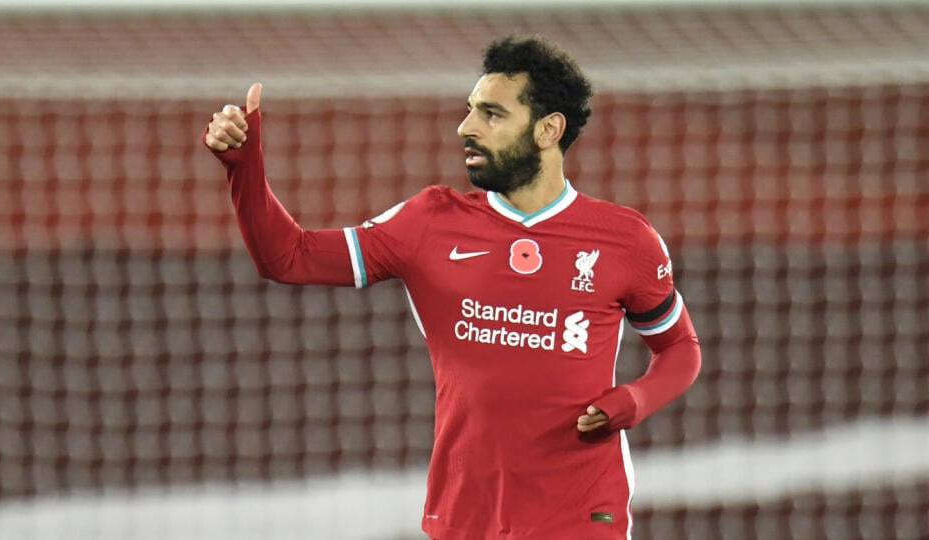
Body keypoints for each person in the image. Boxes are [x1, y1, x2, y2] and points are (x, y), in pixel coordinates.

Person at [203, 34, 701, 540]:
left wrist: (634, 401)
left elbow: (680, 347)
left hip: (582, 516)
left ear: (549, 130)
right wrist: (244, 167)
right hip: (466, 516)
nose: (466, 128)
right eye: (469, 111)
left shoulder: (625, 240)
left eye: (492, 114)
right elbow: (288, 257)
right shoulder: (430, 223)